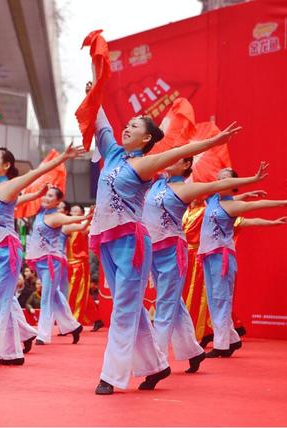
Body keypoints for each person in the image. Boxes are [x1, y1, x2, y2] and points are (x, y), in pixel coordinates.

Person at [88, 79, 242, 394]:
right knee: (128, 305)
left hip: (132, 244)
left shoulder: (146, 164)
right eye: (126, 124)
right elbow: (99, 122)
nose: (126, 128)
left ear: (146, 137)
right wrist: (94, 95)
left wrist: (214, 141)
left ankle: (111, 375)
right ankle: (156, 366)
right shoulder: (113, 153)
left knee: (124, 308)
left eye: (133, 126)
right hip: (106, 240)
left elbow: (184, 149)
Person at [0, 128, 81, 369]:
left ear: (6, 166)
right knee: (3, 301)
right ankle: (13, 351)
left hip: (5, 253)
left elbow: (38, 171)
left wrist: (62, 157)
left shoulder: (9, 185)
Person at [142, 157, 268, 373]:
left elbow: (218, 187)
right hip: (154, 249)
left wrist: (253, 180)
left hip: (174, 252)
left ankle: (157, 361)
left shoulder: (188, 189)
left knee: (166, 305)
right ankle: (193, 351)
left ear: (186, 166)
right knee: (175, 304)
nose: (171, 160)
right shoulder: (157, 184)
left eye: (178, 159)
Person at [198, 167, 287, 359]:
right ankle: (233, 339)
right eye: (219, 178)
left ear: (234, 185)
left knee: (221, 300)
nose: (221, 181)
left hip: (222, 257)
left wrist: (282, 202)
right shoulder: (213, 200)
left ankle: (221, 345)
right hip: (208, 255)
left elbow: (258, 205)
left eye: (226, 180)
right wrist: (247, 193)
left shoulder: (232, 206)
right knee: (214, 300)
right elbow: (234, 197)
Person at [25, 186, 90, 345]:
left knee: (46, 297)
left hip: (52, 263)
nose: (46, 198)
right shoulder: (41, 212)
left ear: (58, 201)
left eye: (50, 196)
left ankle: (43, 335)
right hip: (39, 261)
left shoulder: (57, 217)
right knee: (54, 295)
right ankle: (73, 327)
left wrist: (89, 217)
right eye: (45, 195)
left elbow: (75, 223)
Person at [65, 204, 92, 324]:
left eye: (77, 212)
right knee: (70, 293)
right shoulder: (64, 227)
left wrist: (91, 217)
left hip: (79, 264)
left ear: (81, 214)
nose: (74, 213)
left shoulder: (84, 228)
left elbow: (88, 228)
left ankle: (74, 320)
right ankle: (95, 317)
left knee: (77, 293)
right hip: (66, 265)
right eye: (72, 211)